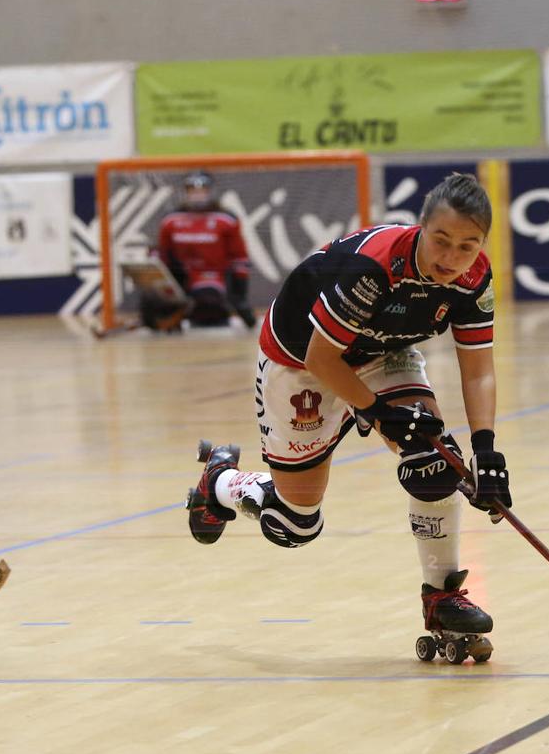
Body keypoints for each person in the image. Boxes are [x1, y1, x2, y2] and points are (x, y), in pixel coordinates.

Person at [185, 172, 513, 663]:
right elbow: (323, 360)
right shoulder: (373, 269)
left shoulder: (475, 279)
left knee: (434, 463)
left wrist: (486, 452)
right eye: (441, 240)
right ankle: (223, 481)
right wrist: (379, 413)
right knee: (293, 525)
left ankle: (442, 595)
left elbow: (479, 372)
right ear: (420, 228)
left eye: (467, 246)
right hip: (302, 362)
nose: (451, 258)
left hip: (384, 354)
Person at [145, 170, 255, 331]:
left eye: (202, 191)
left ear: (211, 192)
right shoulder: (171, 220)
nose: (197, 195)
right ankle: (170, 318)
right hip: (181, 277)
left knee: (207, 301)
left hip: (212, 276)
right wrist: (153, 263)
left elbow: (239, 257)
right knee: (150, 300)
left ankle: (192, 313)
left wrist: (239, 294)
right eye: (193, 191)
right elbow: (162, 252)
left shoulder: (226, 220)